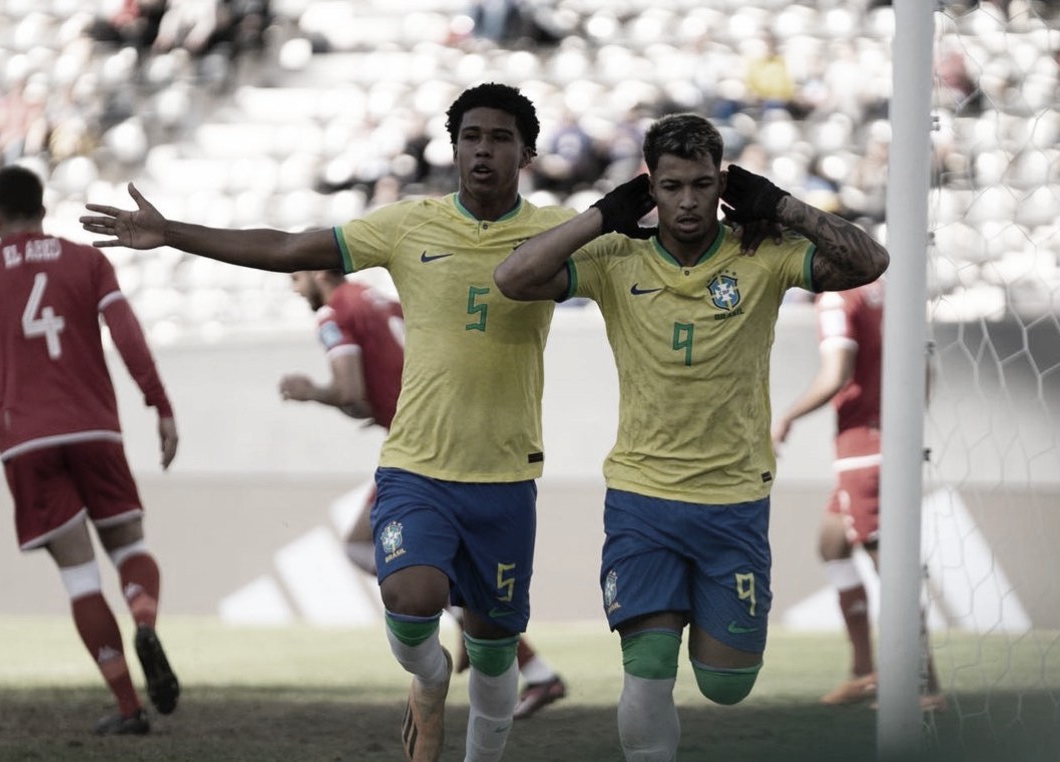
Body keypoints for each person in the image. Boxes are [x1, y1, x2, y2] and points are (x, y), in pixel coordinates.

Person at [80, 82, 578, 762]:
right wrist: (172, 234)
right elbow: (289, 247)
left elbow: (654, 251)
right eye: (470, 137)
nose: (482, 151)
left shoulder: (560, 231)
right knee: (408, 603)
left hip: (505, 474)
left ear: (527, 151)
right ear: (454, 147)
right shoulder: (409, 225)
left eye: (498, 138)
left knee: (494, 653)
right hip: (416, 465)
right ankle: (428, 677)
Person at [493, 113, 889, 760]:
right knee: (647, 673)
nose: (687, 201)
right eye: (670, 186)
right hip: (641, 501)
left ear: (722, 182)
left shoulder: (761, 252)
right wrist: (603, 213)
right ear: (650, 187)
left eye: (702, 184)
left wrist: (780, 205)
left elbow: (870, 262)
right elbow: (511, 280)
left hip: (734, 501)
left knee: (727, 684)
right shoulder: (618, 257)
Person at [279, 268, 567, 720]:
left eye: (295, 275)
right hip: (455, 433)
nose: (292, 287)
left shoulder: (335, 313)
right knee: (438, 566)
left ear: (319, 270)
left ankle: (520, 665)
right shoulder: (380, 299)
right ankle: (488, 637)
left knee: (363, 548)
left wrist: (310, 391)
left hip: (423, 450)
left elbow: (349, 389)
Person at [0, 164, 180, 735]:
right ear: (43, 208)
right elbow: (126, 335)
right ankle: (144, 618)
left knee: (80, 579)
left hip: (29, 439)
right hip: (96, 429)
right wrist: (160, 405)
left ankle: (128, 708)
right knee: (129, 548)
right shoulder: (87, 260)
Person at [770, 280, 945, 711]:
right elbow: (927, 363)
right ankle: (864, 671)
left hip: (862, 449)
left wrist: (786, 418)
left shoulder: (835, 297)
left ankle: (923, 684)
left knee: (889, 564)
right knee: (832, 543)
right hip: (885, 439)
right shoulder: (888, 291)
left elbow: (836, 373)